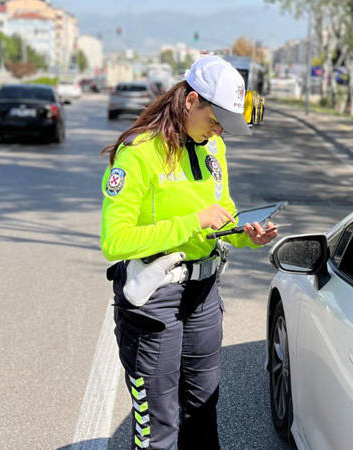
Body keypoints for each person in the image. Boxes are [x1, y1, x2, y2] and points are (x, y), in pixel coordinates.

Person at [100, 55, 277, 450]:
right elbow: (115, 240)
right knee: (159, 430)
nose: (218, 131)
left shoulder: (213, 147)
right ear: (190, 100)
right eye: (215, 120)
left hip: (203, 294)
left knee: (202, 414)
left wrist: (247, 234)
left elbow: (223, 209)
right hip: (155, 300)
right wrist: (193, 222)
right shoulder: (139, 153)